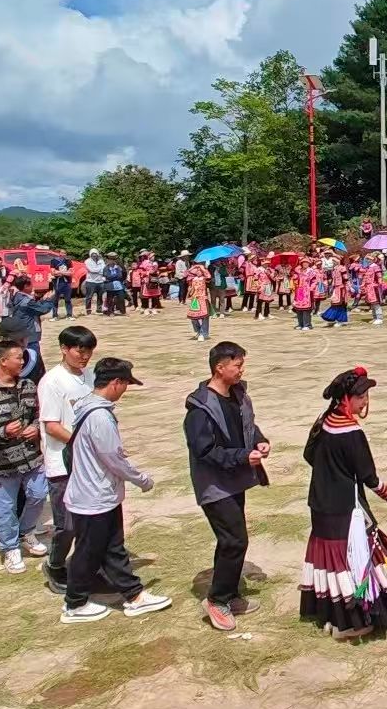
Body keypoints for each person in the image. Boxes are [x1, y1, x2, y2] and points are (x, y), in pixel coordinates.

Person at [299, 367, 387, 638]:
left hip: (320, 502)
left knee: (330, 560)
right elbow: (369, 477)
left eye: (366, 395)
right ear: (346, 398)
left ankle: (332, 615)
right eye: (360, 396)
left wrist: (329, 472)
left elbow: (308, 455)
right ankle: (351, 621)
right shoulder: (351, 431)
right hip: (345, 506)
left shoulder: (324, 420)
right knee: (356, 556)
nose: (365, 401)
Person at [60, 358, 171, 623]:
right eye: (125, 384)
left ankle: (134, 596)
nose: (125, 390)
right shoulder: (99, 416)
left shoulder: (87, 406)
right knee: (89, 551)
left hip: (99, 494)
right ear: (116, 382)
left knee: (112, 548)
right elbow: (114, 459)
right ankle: (74, 604)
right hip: (93, 496)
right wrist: (142, 480)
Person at [183, 341, 271, 631]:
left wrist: (259, 441)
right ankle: (217, 600)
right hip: (214, 485)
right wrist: (243, 456)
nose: (242, 370)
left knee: (231, 540)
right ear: (219, 368)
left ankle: (230, 594)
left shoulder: (238, 394)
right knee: (235, 540)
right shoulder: (200, 409)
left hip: (235, 480)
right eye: (237, 365)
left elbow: (248, 426)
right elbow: (204, 451)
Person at [37, 325, 97, 594]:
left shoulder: (90, 377)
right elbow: (52, 426)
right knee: (68, 523)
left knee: (91, 519)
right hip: (62, 462)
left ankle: (87, 565)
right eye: (79, 351)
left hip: (89, 462)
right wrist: (82, 444)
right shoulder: (52, 381)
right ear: (64, 348)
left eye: (89, 351)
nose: (84, 356)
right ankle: (55, 564)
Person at [0, 340, 46, 573]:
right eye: (18, 357)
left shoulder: (28, 386)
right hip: (0, 465)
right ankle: (10, 548)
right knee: (4, 509)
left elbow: (39, 414)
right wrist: (2, 432)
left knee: (39, 494)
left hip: (31, 458)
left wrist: (35, 428)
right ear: (3, 361)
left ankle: (26, 532)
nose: (23, 361)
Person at [8, 275, 53, 357]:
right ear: (26, 286)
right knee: (34, 357)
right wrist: (48, 299)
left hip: (21, 331)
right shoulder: (26, 301)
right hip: (30, 333)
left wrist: (42, 300)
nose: (32, 286)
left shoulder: (17, 296)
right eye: (31, 284)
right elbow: (43, 309)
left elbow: (34, 307)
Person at [185, 262, 211, 341]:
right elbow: (186, 273)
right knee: (193, 318)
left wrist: (202, 267)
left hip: (203, 299)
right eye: (197, 270)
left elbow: (209, 276)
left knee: (204, 317)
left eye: (200, 270)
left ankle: (203, 333)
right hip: (195, 299)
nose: (198, 271)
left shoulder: (204, 279)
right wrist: (194, 267)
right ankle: (198, 331)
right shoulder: (193, 279)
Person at [49, 252, 74, 320]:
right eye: (61, 253)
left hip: (67, 282)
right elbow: (53, 272)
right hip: (57, 282)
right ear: (59, 254)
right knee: (55, 300)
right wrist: (64, 272)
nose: (62, 254)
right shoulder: (54, 261)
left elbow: (70, 273)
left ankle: (69, 315)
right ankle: (55, 316)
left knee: (68, 299)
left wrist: (59, 272)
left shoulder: (68, 261)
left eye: (64, 253)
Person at [81, 249, 106, 316]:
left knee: (100, 296)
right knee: (89, 297)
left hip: (100, 281)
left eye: (95, 254)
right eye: (93, 254)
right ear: (90, 254)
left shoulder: (101, 261)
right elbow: (91, 270)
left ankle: (99, 309)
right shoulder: (87, 261)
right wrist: (99, 270)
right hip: (90, 281)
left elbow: (104, 269)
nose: (94, 255)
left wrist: (97, 270)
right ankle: (88, 310)